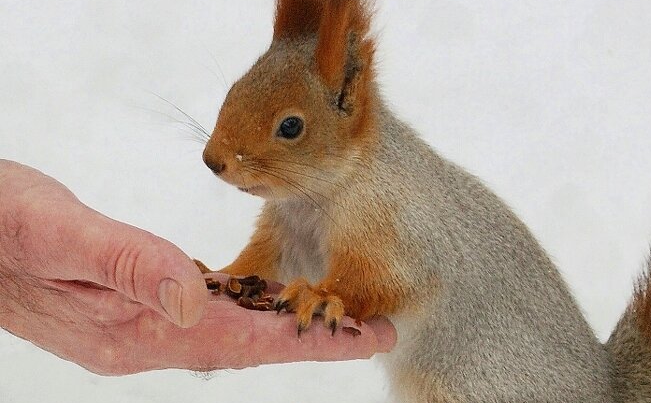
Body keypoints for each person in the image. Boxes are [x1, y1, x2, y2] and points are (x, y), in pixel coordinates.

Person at [0, 160, 396, 375]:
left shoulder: (372, 195)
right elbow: (274, 250)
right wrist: (229, 285)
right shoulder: (295, 197)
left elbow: (390, 275)